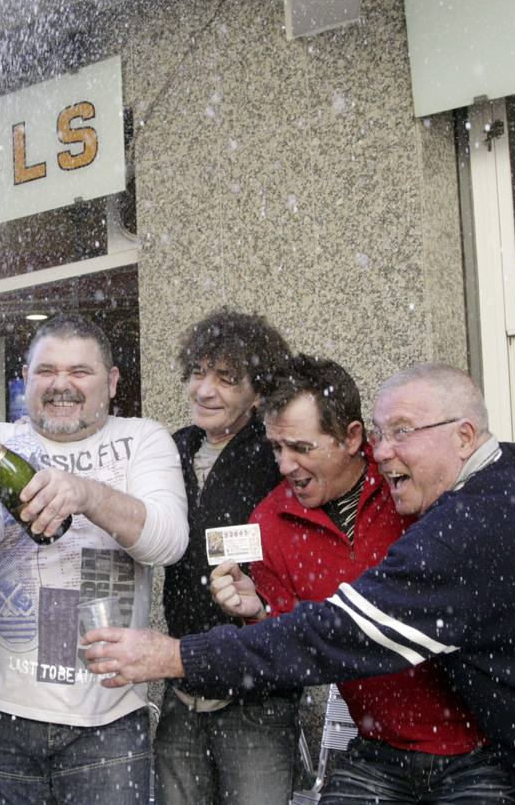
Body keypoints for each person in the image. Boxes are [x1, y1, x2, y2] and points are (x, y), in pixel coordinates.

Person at [84, 363, 515, 804]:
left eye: (402, 431)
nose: (384, 451)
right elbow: (314, 628)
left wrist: (173, 654)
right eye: (383, 433)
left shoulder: (468, 519)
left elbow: (348, 630)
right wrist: (259, 610)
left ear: (464, 434)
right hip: (507, 758)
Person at [210, 355, 499, 803]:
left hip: (481, 746)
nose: (285, 465)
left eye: (301, 448)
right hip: (379, 751)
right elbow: (293, 647)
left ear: (351, 437)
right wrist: (260, 612)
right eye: (275, 448)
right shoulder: (268, 522)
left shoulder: (409, 482)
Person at [0, 314, 188, 804]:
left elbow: (168, 543)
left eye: (80, 371)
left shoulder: (144, 438)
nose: (61, 385)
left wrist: (86, 494)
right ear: (26, 377)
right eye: (46, 371)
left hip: (109, 722)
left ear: (113, 381)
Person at [156, 309, 297, 805]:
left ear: (257, 394)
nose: (204, 390)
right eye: (197, 373)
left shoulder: (275, 456)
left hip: (255, 695)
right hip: (181, 687)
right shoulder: (170, 450)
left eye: (226, 379)